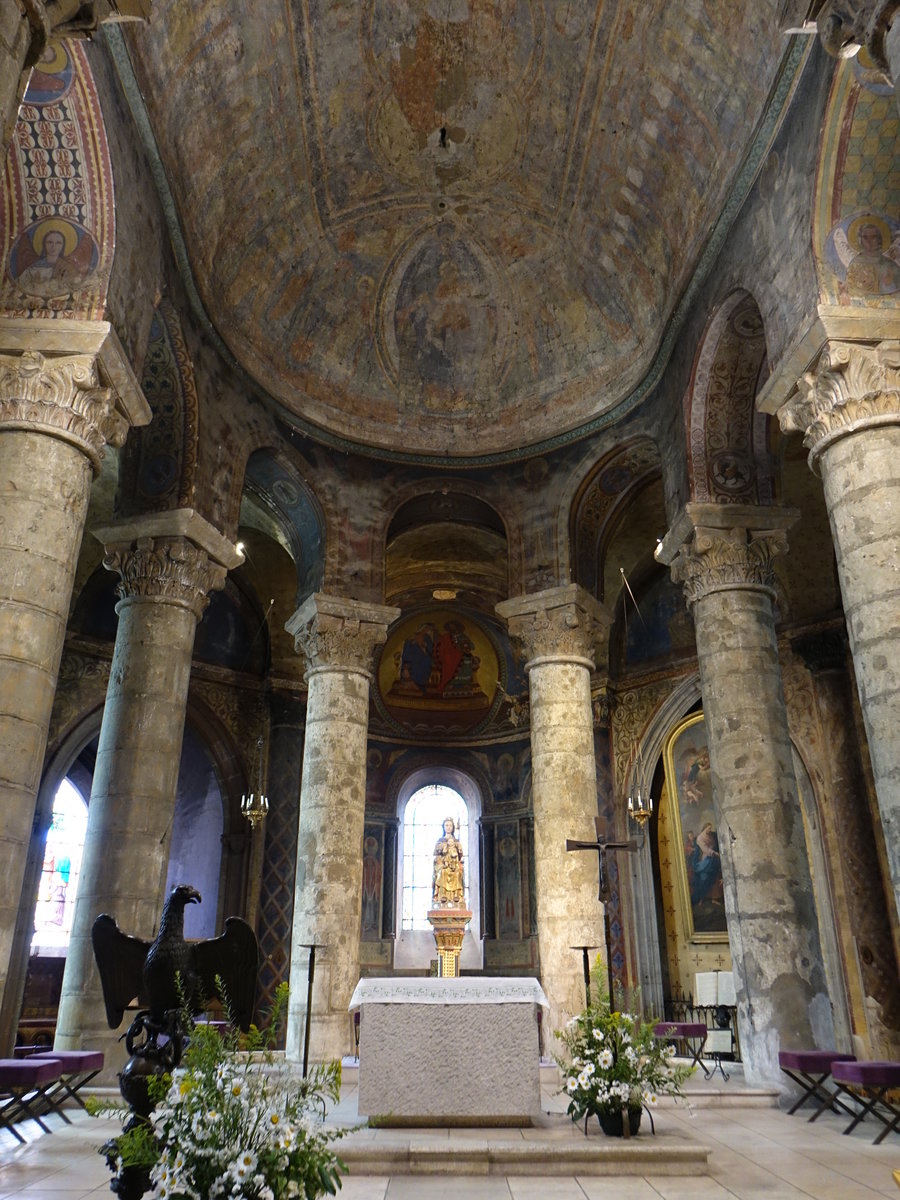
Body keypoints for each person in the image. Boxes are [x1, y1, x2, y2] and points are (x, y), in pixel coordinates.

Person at [432, 816, 465, 906]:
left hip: (454, 865)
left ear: (453, 827)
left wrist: (459, 853)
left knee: (458, 873)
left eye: (450, 825)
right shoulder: (440, 841)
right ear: (443, 827)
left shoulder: (457, 841)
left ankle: (456, 896)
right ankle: (442, 896)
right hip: (443, 865)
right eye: (446, 825)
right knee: (442, 872)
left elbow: (461, 855)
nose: (448, 827)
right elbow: (436, 855)